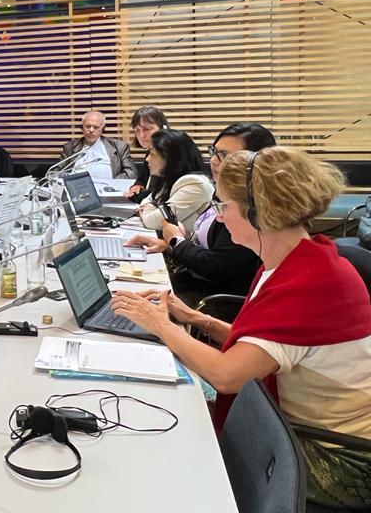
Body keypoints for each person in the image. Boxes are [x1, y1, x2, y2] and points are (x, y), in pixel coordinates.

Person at [112, 147, 371, 510]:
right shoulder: (295, 261)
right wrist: (194, 318)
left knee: (167, 448)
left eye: (223, 205)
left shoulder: (312, 283)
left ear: (259, 213)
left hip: (340, 458)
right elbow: (263, 343)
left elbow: (227, 376)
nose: (219, 216)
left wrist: (160, 325)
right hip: (305, 429)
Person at [127, 123, 276, 304]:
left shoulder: (250, 209)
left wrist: (176, 242)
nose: (213, 160)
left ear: (254, 163)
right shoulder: (220, 193)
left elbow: (219, 266)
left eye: (224, 155)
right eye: (214, 152)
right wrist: (169, 246)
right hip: (195, 283)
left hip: (211, 297)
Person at [136, 129, 214, 234]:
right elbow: (146, 200)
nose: (147, 159)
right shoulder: (170, 178)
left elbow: (154, 221)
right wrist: (151, 208)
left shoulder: (195, 184)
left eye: (152, 153)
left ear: (170, 158)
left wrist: (149, 208)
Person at [59, 110, 136, 180]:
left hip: (107, 188)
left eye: (96, 127)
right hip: (76, 187)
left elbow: (130, 172)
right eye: (88, 126)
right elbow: (56, 172)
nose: (91, 130)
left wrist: (112, 183)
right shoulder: (69, 147)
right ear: (81, 127)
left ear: (103, 129)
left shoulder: (119, 147)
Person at [123, 106, 167, 202]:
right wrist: (137, 186)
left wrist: (134, 197)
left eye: (146, 129)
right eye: (137, 130)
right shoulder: (150, 152)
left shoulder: (167, 153)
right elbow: (141, 179)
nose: (141, 135)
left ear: (162, 128)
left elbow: (157, 194)